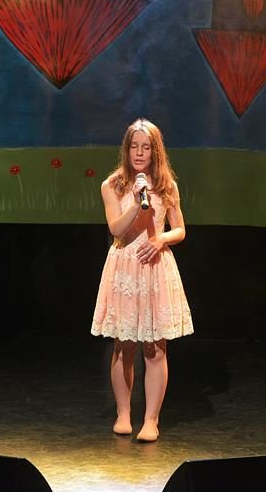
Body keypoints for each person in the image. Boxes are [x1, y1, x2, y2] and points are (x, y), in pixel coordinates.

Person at [91, 118, 193, 443]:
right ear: (126, 149)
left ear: (155, 151)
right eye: (134, 146)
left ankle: (151, 420)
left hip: (154, 269)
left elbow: (180, 229)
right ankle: (123, 414)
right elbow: (116, 229)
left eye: (145, 147)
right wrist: (136, 203)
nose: (139, 153)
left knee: (155, 348)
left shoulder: (166, 185)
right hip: (125, 268)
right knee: (124, 347)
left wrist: (161, 239)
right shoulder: (112, 185)